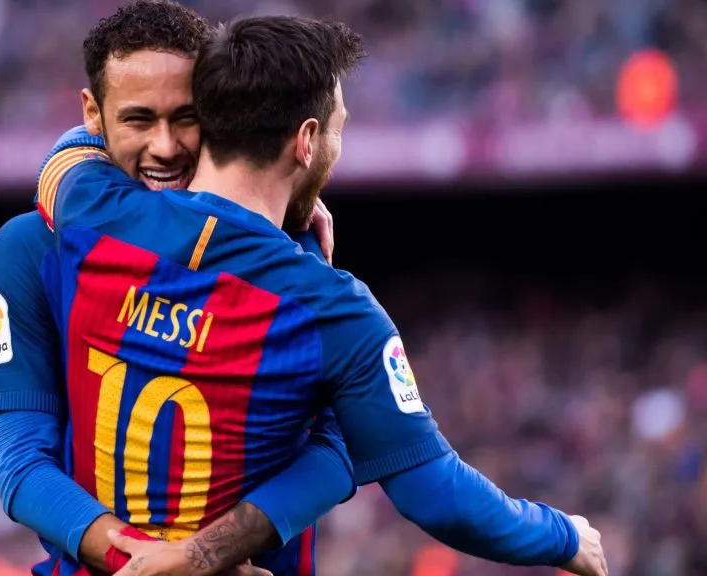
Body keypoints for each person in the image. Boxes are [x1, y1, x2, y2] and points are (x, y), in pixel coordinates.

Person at [34, 14, 609, 576]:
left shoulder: (93, 212)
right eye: (339, 129)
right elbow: (436, 495)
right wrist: (561, 535)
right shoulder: (334, 310)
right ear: (306, 141)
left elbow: (71, 150)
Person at [0, 2, 351, 575]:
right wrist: (166, 565)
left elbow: (337, 444)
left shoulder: (285, 246)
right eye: (138, 119)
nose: (166, 146)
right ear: (93, 115)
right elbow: (22, 465)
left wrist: (207, 554)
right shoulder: (32, 248)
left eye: (187, 116)